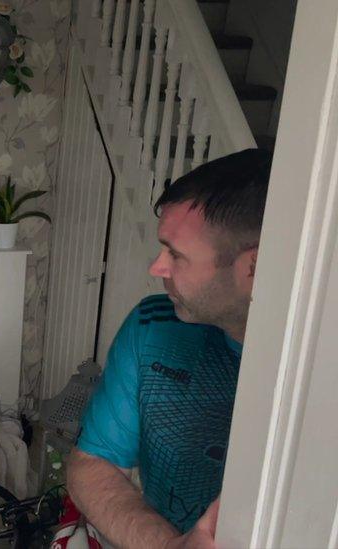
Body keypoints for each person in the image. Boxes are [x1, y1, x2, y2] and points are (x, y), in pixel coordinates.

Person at [66, 148, 272, 548]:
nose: (156, 267)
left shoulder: (314, 379)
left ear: (253, 268)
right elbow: (93, 464)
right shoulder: (154, 325)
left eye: (175, 254)